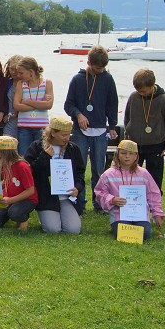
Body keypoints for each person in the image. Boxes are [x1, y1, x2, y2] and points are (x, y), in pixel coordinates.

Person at [63, 45, 118, 212]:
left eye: (103, 68)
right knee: (79, 167)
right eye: (97, 67)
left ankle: (99, 202)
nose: (100, 70)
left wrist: (113, 126)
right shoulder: (78, 79)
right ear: (88, 62)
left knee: (98, 169)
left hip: (100, 131)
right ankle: (80, 202)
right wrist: (78, 115)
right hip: (81, 131)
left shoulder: (108, 79)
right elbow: (68, 105)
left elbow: (112, 104)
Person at [24, 115, 84, 234]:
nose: (67, 138)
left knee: (73, 230)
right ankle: (48, 218)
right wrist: (45, 156)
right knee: (53, 229)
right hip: (46, 197)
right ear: (53, 133)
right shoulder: (37, 146)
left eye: (68, 134)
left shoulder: (73, 149)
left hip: (66, 197)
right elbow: (29, 171)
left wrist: (77, 187)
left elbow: (80, 172)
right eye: (63, 135)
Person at [123, 68, 165, 194]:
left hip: (156, 146)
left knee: (154, 179)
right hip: (135, 146)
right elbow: (127, 117)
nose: (141, 94)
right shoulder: (133, 97)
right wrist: (128, 134)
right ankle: (133, 207)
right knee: (132, 178)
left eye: (143, 91)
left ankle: (154, 207)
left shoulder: (164, 100)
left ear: (151, 86)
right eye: (138, 91)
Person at [94, 139, 165, 239]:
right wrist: (112, 200)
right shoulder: (108, 174)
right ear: (117, 154)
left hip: (140, 214)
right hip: (119, 214)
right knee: (121, 231)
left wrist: (157, 213)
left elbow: (153, 194)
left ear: (136, 156)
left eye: (131, 153)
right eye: (123, 153)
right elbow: (99, 192)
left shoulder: (144, 174)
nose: (127, 156)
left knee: (145, 233)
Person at [0, 135, 38, 233]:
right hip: (9, 198)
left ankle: (23, 219)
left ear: (4, 154)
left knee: (14, 212)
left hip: (27, 200)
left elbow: (30, 190)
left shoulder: (22, 166)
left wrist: (10, 200)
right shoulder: (4, 165)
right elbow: (6, 183)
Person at [12, 56, 52, 156]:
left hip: (41, 127)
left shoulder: (47, 83)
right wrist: (39, 104)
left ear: (31, 71)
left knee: (41, 155)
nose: (19, 75)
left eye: (21, 73)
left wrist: (27, 101)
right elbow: (16, 105)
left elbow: (48, 105)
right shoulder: (21, 84)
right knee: (24, 156)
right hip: (24, 127)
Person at [2, 55, 23, 138]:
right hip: (9, 122)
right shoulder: (8, 83)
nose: (14, 72)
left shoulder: (27, 84)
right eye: (12, 69)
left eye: (17, 69)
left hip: (24, 121)